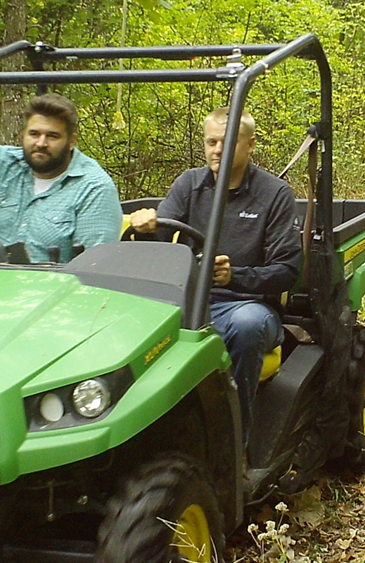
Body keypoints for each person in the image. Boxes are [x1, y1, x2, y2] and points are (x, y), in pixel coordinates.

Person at [129, 107, 302, 443]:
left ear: (250, 145)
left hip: (245, 305)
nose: (217, 150)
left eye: (228, 141)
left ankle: (234, 443)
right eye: (211, 142)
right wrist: (145, 226)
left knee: (247, 326)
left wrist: (233, 276)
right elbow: (157, 243)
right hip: (186, 301)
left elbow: (287, 271)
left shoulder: (274, 194)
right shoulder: (190, 185)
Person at [0, 58, 122, 263]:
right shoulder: (5, 165)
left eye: (52, 136)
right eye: (34, 134)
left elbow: (94, 267)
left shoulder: (93, 188)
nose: (41, 143)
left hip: (54, 283)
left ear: (71, 141)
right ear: (23, 134)